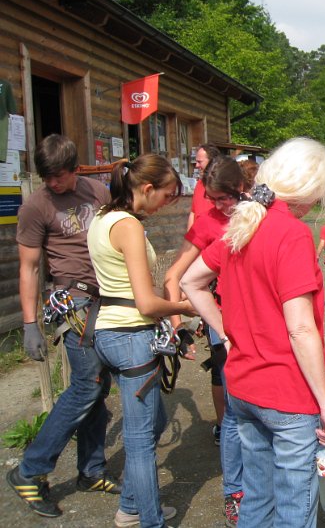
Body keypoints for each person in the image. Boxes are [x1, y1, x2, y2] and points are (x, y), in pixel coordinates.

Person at [180, 137, 325, 527]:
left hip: (242, 388)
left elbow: (190, 282)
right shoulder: (291, 233)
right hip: (287, 395)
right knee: (293, 510)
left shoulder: (243, 223)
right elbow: (301, 327)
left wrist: (225, 332)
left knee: (256, 501)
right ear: (309, 188)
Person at [7, 134, 118, 519]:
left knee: (99, 388)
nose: (53, 184)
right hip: (73, 302)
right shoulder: (36, 206)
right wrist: (29, 324)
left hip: (108, 299)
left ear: (75, 169)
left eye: (60, 176)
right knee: (85, 385)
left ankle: (91, 469)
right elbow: (29, 267)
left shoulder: (97, 191)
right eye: (47, 177)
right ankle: (29, 471)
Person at [87, 154, 197, 528]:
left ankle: (132, 505)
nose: (167, 203)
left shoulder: (101, 218)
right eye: (166, 195)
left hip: (109, 333)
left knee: (155, 421)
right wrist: (186, 306)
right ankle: (149, 520)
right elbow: (147, 302)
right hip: (131, 335)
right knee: (139, 442)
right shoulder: (129, 226)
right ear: (146, 189)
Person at [163, 155, 252, 527]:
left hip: (263, 321)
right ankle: (235, 492)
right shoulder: (209, 222)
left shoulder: (260, 213)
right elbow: (175, 275)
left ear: (242, 189)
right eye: (212, 199)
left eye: (223, 199)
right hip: (224, 323)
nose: (218, 207)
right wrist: (180, 318)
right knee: (234, 412)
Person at [187, 143, 221, 229]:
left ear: (212, 161)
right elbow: (193, 212)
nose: (196, 165)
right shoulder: (199, 183)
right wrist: (189, 236)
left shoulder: (221, 185)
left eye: (199, 162)